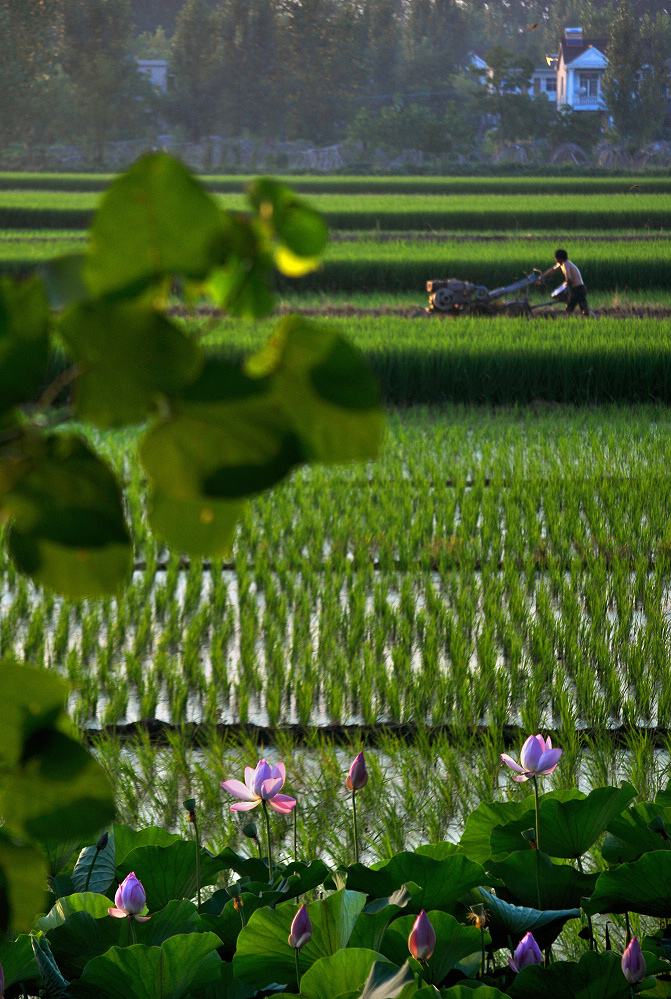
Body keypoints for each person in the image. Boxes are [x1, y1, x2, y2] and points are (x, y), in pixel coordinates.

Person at [539, 248, 592, 316]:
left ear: (560, 258)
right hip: (579, 289)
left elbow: (568, 277)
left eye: (556, 258)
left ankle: (574, 323)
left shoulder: (566, 264)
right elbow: (552, 270)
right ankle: (592, 319)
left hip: (578, 289)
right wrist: (541, 277)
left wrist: (565, 284)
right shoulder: (562, 264)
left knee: (569, 309)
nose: (555, 260)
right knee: (583, 309)